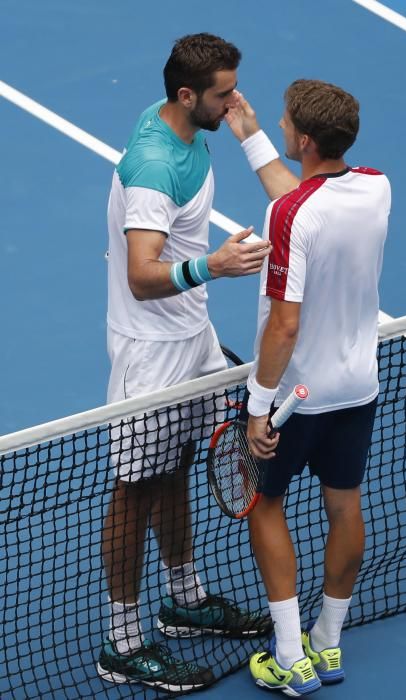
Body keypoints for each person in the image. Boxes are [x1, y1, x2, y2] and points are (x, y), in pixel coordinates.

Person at [97, 33, 272, 693]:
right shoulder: (152, 167)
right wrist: (215, 266)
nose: (236, 105)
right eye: (225, 94)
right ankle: (123, 642)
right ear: (186, 95)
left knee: (178, 468)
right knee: (135, 489)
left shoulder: (176, 125)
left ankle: (185, 600)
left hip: (190, 335)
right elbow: (143, 276)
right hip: (151, 354)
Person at [226, 79, 391, 696]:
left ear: (302, 138)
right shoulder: (376, 185)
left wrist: (257, 408)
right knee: (345, 505)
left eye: (284, 121)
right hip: (358, 385)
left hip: (296, 398)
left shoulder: (292, 215)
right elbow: (305, 206)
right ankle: (328, 642)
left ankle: (290, 656)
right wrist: (251, 138)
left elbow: (285, 324)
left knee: (266, 506)